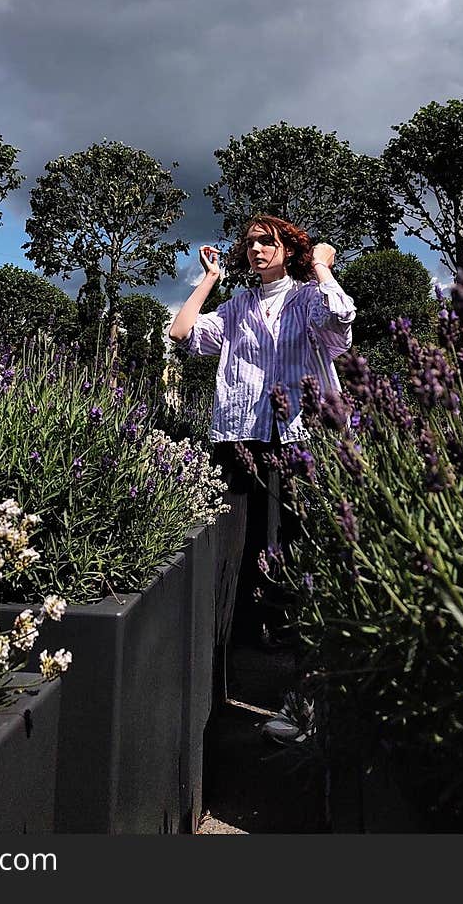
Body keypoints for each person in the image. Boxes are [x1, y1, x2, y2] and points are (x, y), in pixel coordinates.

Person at [168, 215, 356, 701]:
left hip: (299, 428)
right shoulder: (238, 304)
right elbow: (182, 333)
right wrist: (209, 278)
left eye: (266, 242)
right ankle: (248, 633)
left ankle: (297, 630)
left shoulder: (307, 297)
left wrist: (321, 265)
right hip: (242, 432)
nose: (256, 250)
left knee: (300, 531)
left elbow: (341, 322)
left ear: (287, 249)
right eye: (250, 244)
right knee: (244, 536)